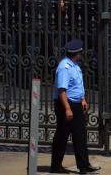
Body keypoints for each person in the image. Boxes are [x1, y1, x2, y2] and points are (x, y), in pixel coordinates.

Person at [50, 40, 100, 174]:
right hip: (66, 104)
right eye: (80, 52)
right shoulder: (64, 67)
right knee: (62, 135)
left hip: (76, 103)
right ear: (76, 53)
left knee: (80, 135)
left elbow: (78, 85)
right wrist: (67, 108)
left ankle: (84, 165)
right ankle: (56, 166)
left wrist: (82, 99)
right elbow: (62, 90)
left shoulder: (75, 66)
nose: (81, 54)